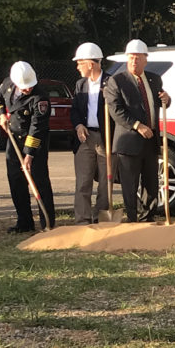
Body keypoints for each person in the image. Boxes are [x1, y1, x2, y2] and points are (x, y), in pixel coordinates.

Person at [105, 39, 170, 222]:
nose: (134, 61)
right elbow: (115, 110)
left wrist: (167, 99)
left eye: (138, 58)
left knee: (151, 182)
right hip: (129, 141)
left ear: (145, 60)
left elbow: (160, 101)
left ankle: (148, 216)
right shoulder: (117, 81)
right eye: (131, 58)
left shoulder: (154, 79)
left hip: (150, 141)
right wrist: (137, 125)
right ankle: (132, 218)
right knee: (130, 184)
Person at [0, 61, 56, 233]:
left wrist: (29, 155)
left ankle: (47, 223)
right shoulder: (7, 84)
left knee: (39, 182)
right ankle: (24, 222)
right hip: (14, 142)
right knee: (16, 181)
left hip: (35, 143)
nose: (28, 89)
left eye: (30, 86)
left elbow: (37, 128)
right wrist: (1, 115)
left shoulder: (40, 98)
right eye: (24, 87)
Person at [70, 42, 111, 224]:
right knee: (83, 181)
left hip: (106, 138)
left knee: (105, 182)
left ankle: (101, 217)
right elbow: (74, 110)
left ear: (91, 64)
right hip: (85, 139)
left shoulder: (111, 82)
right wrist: (78, 125)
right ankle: (83, 219)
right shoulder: (80, 85)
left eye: (80, 63)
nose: (78, 67)